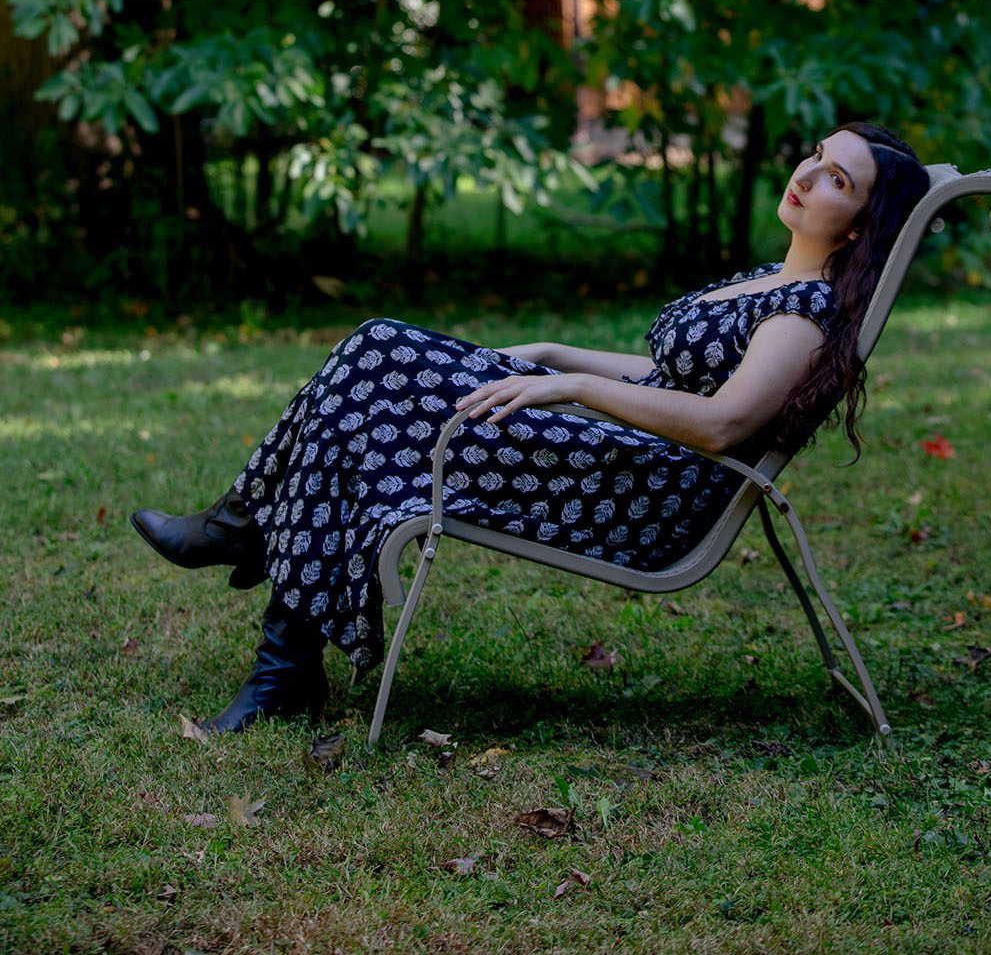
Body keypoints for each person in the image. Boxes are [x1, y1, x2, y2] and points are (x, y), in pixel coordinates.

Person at [130, 120, 929, 734]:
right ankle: (274, 637)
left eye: (837, 180)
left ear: (860, 225)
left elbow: (720, 425)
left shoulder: (804, 312)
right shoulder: (769, 279)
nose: (806, 176)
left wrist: (571, 386)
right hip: (623, 453)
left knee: (376, 356)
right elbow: (661, 375)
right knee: (373, 364)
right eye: (816, 156)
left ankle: (249, 552)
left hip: (645, 493)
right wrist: (550, 352)